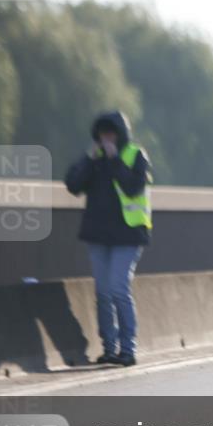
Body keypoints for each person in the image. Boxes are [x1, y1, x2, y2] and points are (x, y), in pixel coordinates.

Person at [65, 111, 152, 367]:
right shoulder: (94, 159)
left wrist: (114, 161)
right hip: (99, 236)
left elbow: (133, 187)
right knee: (103, 292)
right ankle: (109, 348)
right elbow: (73, 185)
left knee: (118, 288)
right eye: (103, 134)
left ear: (121, 134)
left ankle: (128, 348)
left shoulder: (136, 156)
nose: (107, 139)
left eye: (111, 133)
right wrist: (87, 159)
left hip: (128, 235)